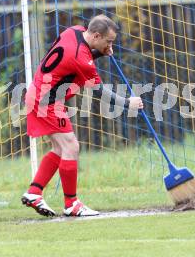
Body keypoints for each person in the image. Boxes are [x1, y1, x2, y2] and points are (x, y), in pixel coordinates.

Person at [21, 14, 144, 217]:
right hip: (46, 101)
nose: (110, 45)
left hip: (39, 94)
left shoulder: (75, 31)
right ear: (96, 36)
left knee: (60, 148)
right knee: (71, 146)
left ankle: (34, 192)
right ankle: (71, 204)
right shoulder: (81, 58)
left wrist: (100, 52)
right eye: (108, 41)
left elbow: (82, 54)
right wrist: (127, 103)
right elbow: (99, 91)